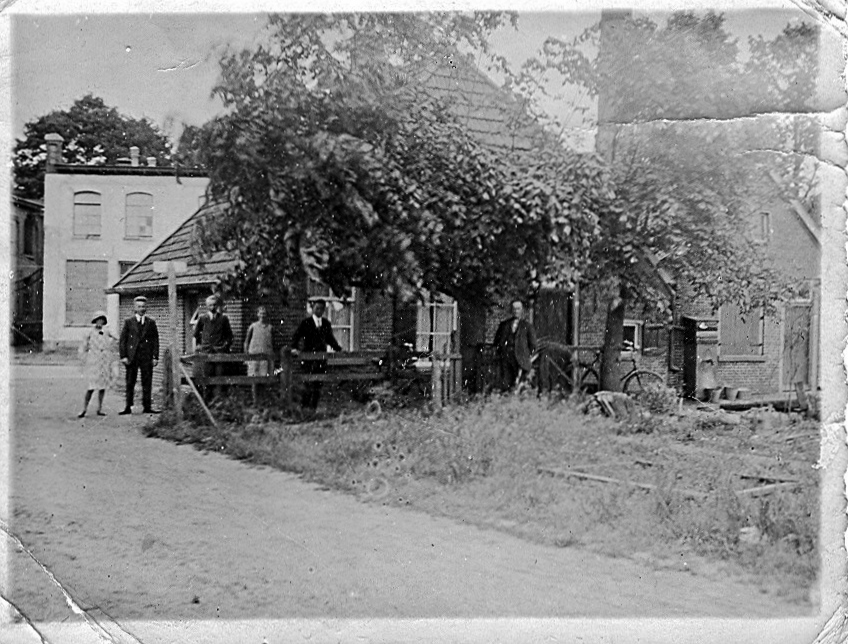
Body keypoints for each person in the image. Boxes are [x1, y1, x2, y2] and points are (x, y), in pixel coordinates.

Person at [290, 298, 343, 412]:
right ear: (313, 309)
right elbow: (296, 336)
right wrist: (294, 348)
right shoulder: (306, 323)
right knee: (308, 384)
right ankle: (304, 409)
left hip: (321, 359)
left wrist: (338, 349)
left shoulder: (326, 324)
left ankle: (313, 409)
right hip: (308, 359)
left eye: (321, 309)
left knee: (318, 385)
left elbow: (330, 339)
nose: (319, 311)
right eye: (317, 308)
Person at [119, 295, 160, 414]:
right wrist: (124, 356)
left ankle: (147, 406)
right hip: (132, 357)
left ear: (146, 308)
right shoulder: (128, 322)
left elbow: (155, 340)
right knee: (130, 382)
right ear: (135, 308)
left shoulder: (151, 322)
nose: (142, 309)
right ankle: (128, 407)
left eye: (143, 306)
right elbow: (123, 340)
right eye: (139, 307)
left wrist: (155, 356)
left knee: (147, 382)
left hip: (146, 357)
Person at [78, 311, 118, 418]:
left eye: (102, 320)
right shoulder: (89, 333)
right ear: (95, 321)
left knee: (102, 386)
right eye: (98, 320)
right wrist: (84, 358)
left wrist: (110, 346)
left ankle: (99, 408)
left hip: (104, 361)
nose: (99, 322)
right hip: (93, 361)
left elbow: (116, 338)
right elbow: (83, 347)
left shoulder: (106, 331)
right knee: (91, 387)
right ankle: (84, 409)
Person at [194, 294, 234, 398]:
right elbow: (196, 334)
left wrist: (225, 346)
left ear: (217, 306)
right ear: (207, 306)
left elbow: (229, 336)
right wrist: (198, 346)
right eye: (210, 305)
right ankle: (207, 402)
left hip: (219, 353)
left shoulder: (223, 319)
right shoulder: (203, 318)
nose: (212, 307)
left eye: (214, 305)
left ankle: (219, 402)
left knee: (220, 378)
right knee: (207, 378)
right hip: (206, 353)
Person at [493, 299, 537, 391]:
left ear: (522, 310)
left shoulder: (527, 326)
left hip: (521, 359)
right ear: (511, 310)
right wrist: (501, 352)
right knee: (505, 383)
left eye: (518, 309)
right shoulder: (504, 325)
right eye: (514, 309)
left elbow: (533, 344)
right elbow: (497, 342)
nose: (516, 311)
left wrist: (526, 356)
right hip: (506, 358)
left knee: (520, 384)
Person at [244, 306, 274, 377]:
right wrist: (247, 354)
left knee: (264, 377)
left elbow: (272, 342)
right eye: (260, 313)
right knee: (254, 377)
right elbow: (246, 341)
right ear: (257, 314)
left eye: (264, 314)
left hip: (265, 356)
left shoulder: (270, 327)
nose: (262, 315)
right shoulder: (253, 326)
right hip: (254, 356)